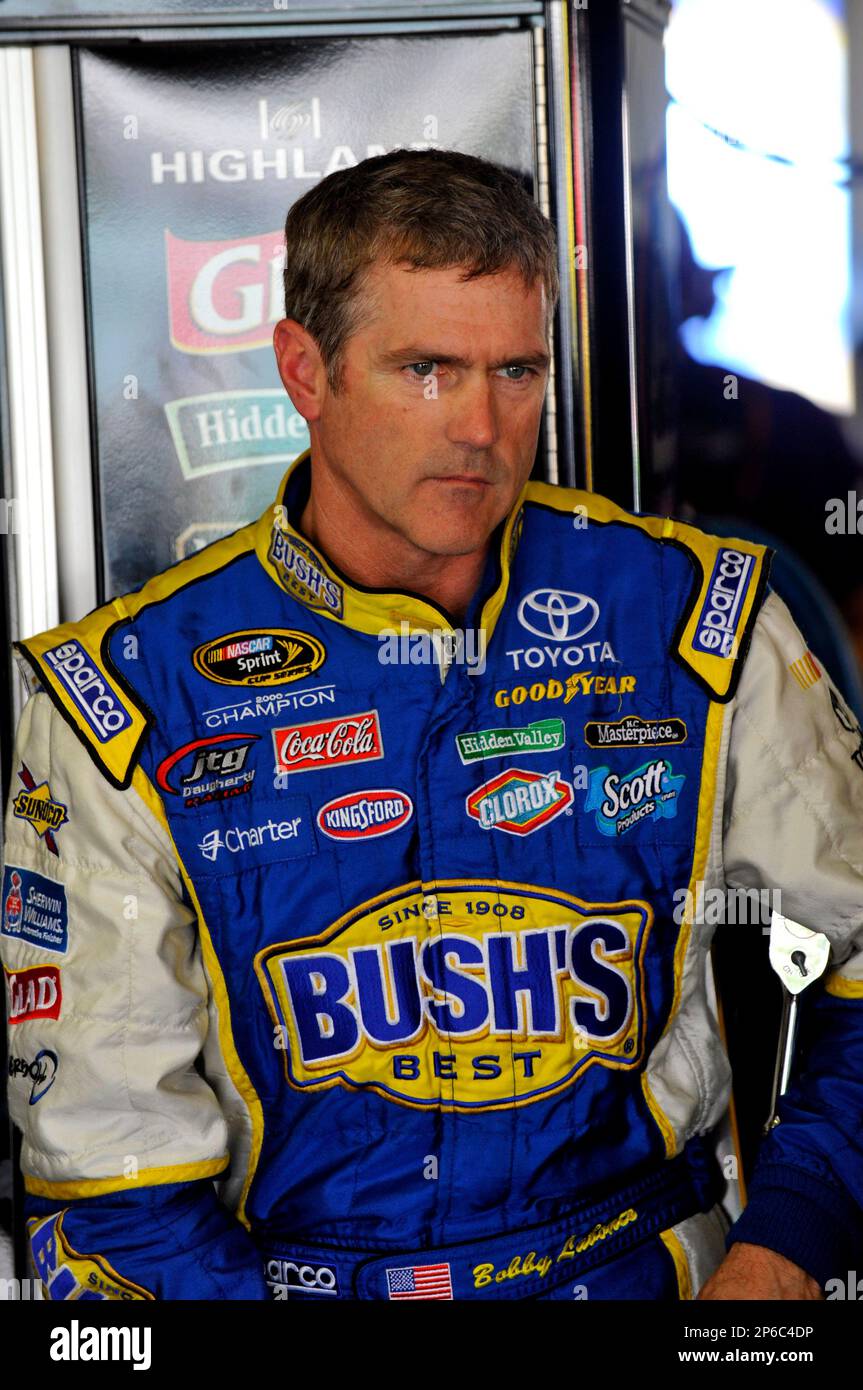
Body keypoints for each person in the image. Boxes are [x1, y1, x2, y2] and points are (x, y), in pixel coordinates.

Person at [3, 148, 863, 1302]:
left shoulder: (688, 621)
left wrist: (788, 1244)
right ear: (303, 371)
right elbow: (115, 1172)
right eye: (424, 369)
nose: (478, 425)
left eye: (515, 370)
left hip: (644, 1269)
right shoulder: (122, 699)